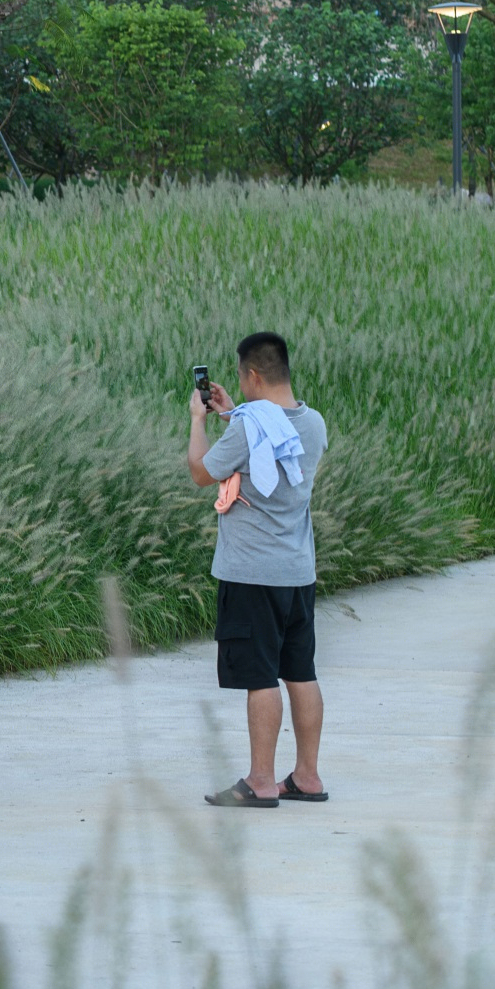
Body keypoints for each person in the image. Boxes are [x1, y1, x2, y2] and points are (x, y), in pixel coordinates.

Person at [187, 331, 332, 808]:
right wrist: (232, 414)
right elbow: (273, 440)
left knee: (260, 677)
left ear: (252, 374)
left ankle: (262, 781)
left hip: (252, 573)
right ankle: (307, 776)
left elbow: (201, 470)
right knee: (300, 671)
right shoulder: (313, 424)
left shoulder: (249, 429)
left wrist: (198, 421)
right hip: (297, 572)